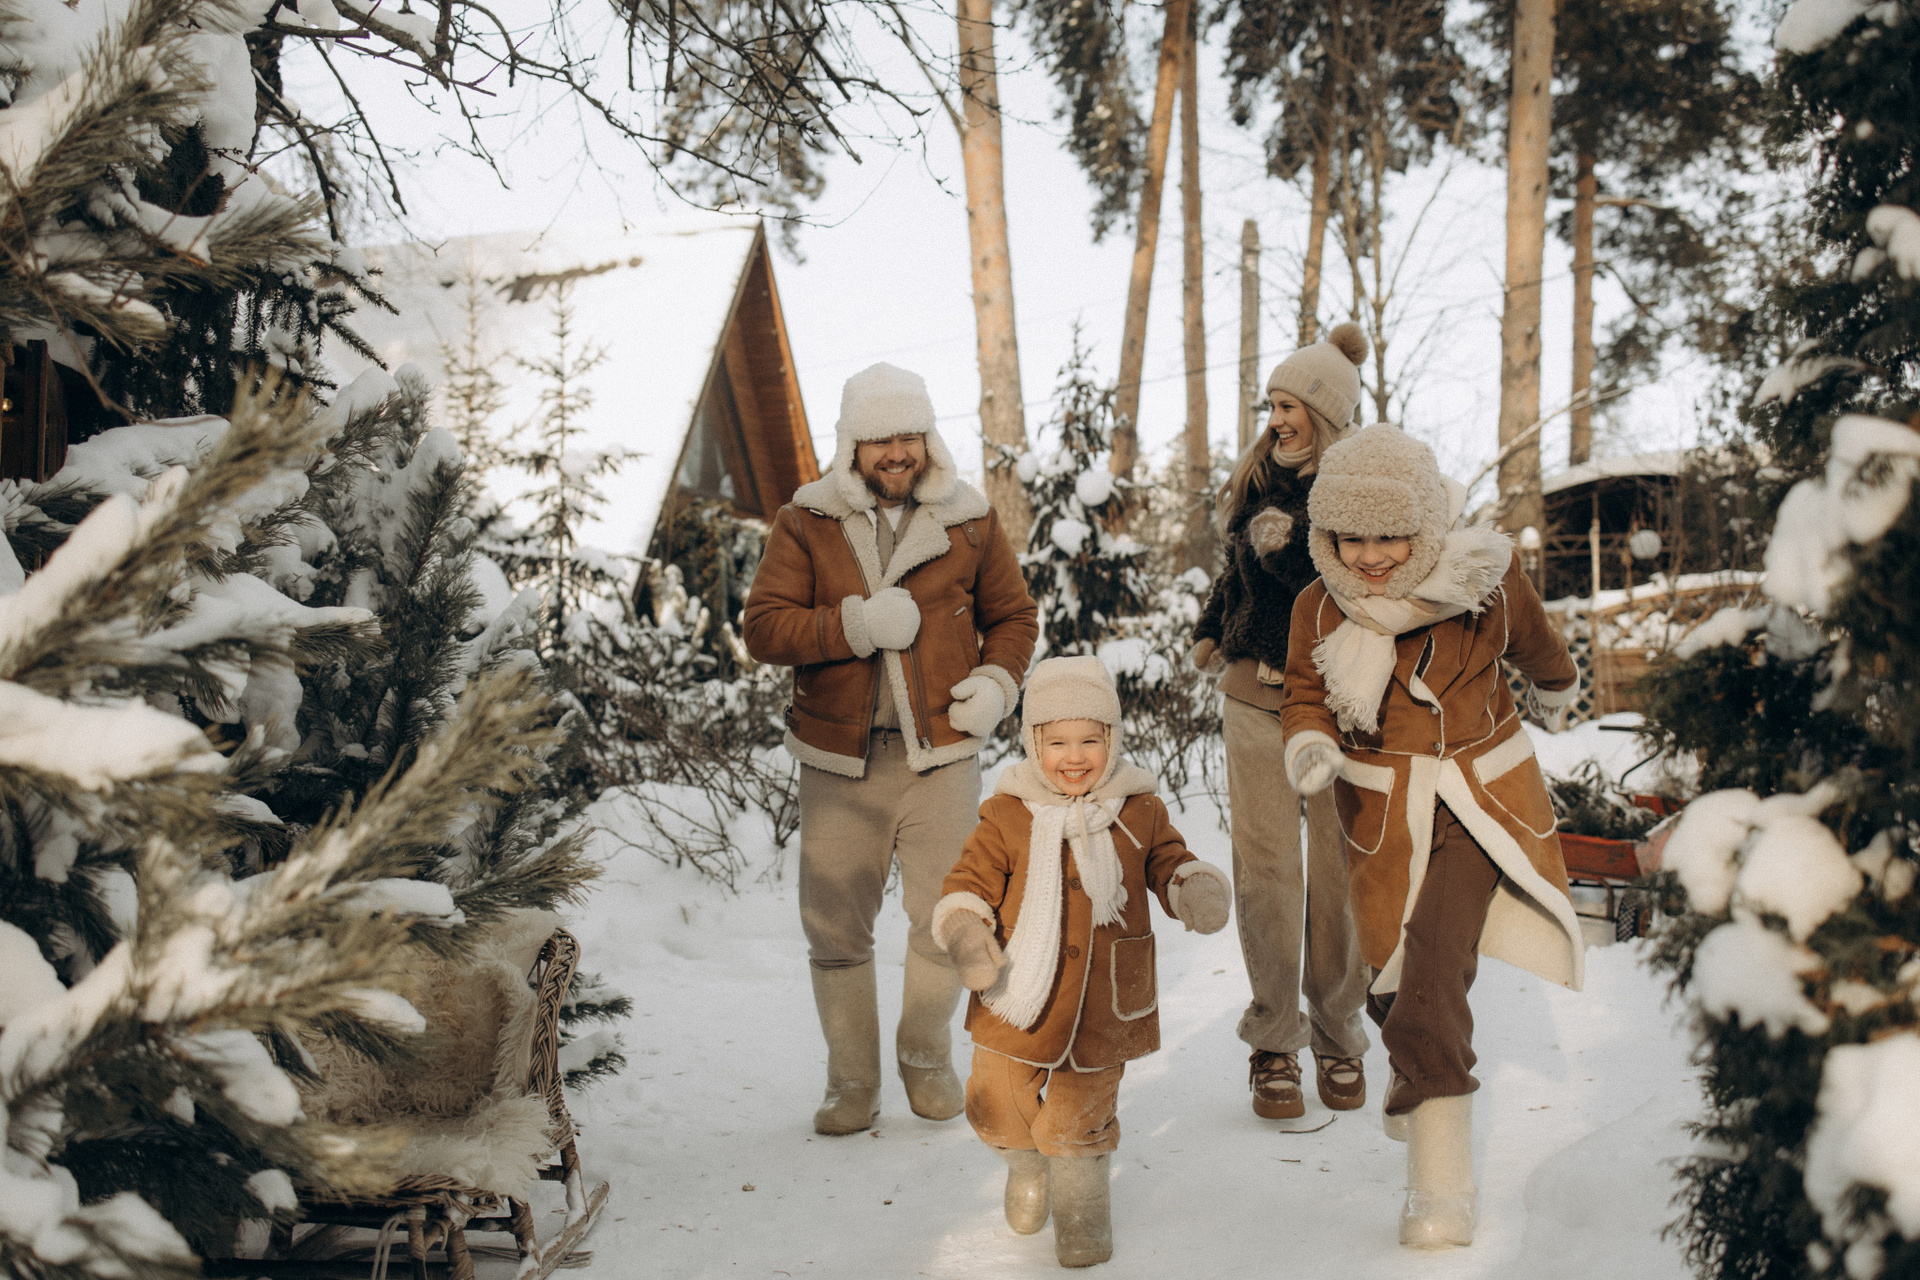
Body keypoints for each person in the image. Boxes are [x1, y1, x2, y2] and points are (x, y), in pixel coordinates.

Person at [1278, 424, 1583, 1248]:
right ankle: (1417, 1065)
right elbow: (1305, 696)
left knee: (1433, 973)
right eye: (1352, 537)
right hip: (1383, 811)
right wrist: (1310, 745)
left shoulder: (1484, 577)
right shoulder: (1318, 605)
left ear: (1425, 523)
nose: (1371, 556)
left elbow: (1537, 643)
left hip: (1482, 801)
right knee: (1387, 978)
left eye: (1391, 535)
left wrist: (1558, 685)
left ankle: (1440, 1187)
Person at [742, 362, 1040, 1136]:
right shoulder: (806, 520)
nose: (897, 452)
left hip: (940, 758)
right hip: (838, 762)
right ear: (852, 445)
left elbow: (1014, 617)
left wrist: (997, 683)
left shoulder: (970, 520)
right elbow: (763, 627)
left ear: (928, 437)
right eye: (879, 440)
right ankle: (851, 1081)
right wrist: (854, 625)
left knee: (949, 914)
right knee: (836, 928)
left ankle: (925, 1055)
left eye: (909, 435)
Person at [932, 656, 1232, 1268]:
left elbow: (1168, 861)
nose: (1075, 757)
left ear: (1112, 739)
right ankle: (1027, 1168)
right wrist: (965, 930)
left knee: (1080, 1120)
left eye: (1090, 740)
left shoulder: (1138, 809)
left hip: (1103, 1001)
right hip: (1018, 993)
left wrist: (1190, 886)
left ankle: (1082, 1216)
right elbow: (970, 880)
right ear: (1032, 743)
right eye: (1057, 742)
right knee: (995, 1102)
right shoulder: (1008, 813)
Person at [1190, 321, 1372, 1121]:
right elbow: (1235, 574)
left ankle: (1338, 1028)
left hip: (1333, 704)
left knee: (1337, 872)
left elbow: (1353, 584)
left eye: (1291, 406)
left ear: (1327, 414)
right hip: (1250, 697)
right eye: (1273, 404)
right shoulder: (1258, 481)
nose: (1277, 420)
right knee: (1266, 871)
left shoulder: (1358, 487)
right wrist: (1211, 627)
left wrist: (1291, 548)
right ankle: (1274, 1039)